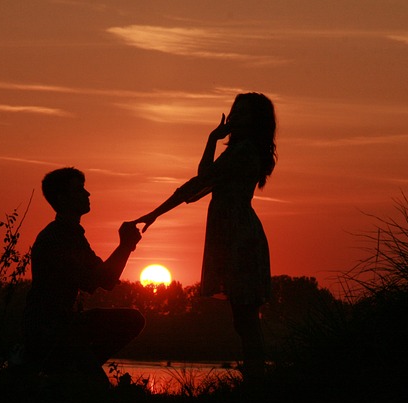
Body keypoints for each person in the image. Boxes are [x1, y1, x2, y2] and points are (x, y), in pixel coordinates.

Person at [133, 92, 277, 382]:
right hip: (230, 235)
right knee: (243, 318)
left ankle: (257, 383)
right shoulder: (237, 151)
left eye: (243, 113)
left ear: (256, 121)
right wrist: (212, 139)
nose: (235, 117)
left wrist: (156, 213)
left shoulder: (245, 152)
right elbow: (204, 178)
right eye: (235, 111)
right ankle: (257, 381)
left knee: (246, 317)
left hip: (241, 238)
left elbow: (198, 183)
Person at [22, 167, 145, 386]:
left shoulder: (72, 234)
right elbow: (102, 279)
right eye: (79, 190)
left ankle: (73, 369)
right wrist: (125, 246)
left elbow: (105, 279)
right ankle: (71, 369)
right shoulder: (58, 238)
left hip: (64, 325)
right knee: (98, 390)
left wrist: (126, 247)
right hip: (49, 330)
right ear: (62, 198)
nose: (87, 194)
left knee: (132, 320)